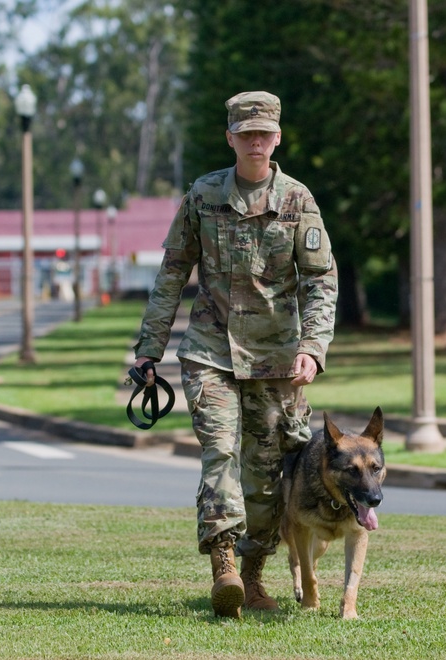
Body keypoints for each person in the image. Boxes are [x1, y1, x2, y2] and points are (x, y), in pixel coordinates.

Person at [132, 90, 338, 618]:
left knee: (266, 475)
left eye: (263, 133)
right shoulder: (202, 197)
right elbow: (172, 274)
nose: (254, 142)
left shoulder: (297, 201)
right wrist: (150, 349)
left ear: (276, 139)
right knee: (220, 453)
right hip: (210, 352)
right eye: (245, 133)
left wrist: (313, 348)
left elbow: (321, 281)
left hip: (276, 359)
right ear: (230, 139)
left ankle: (253, 576)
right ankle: (223, 559)